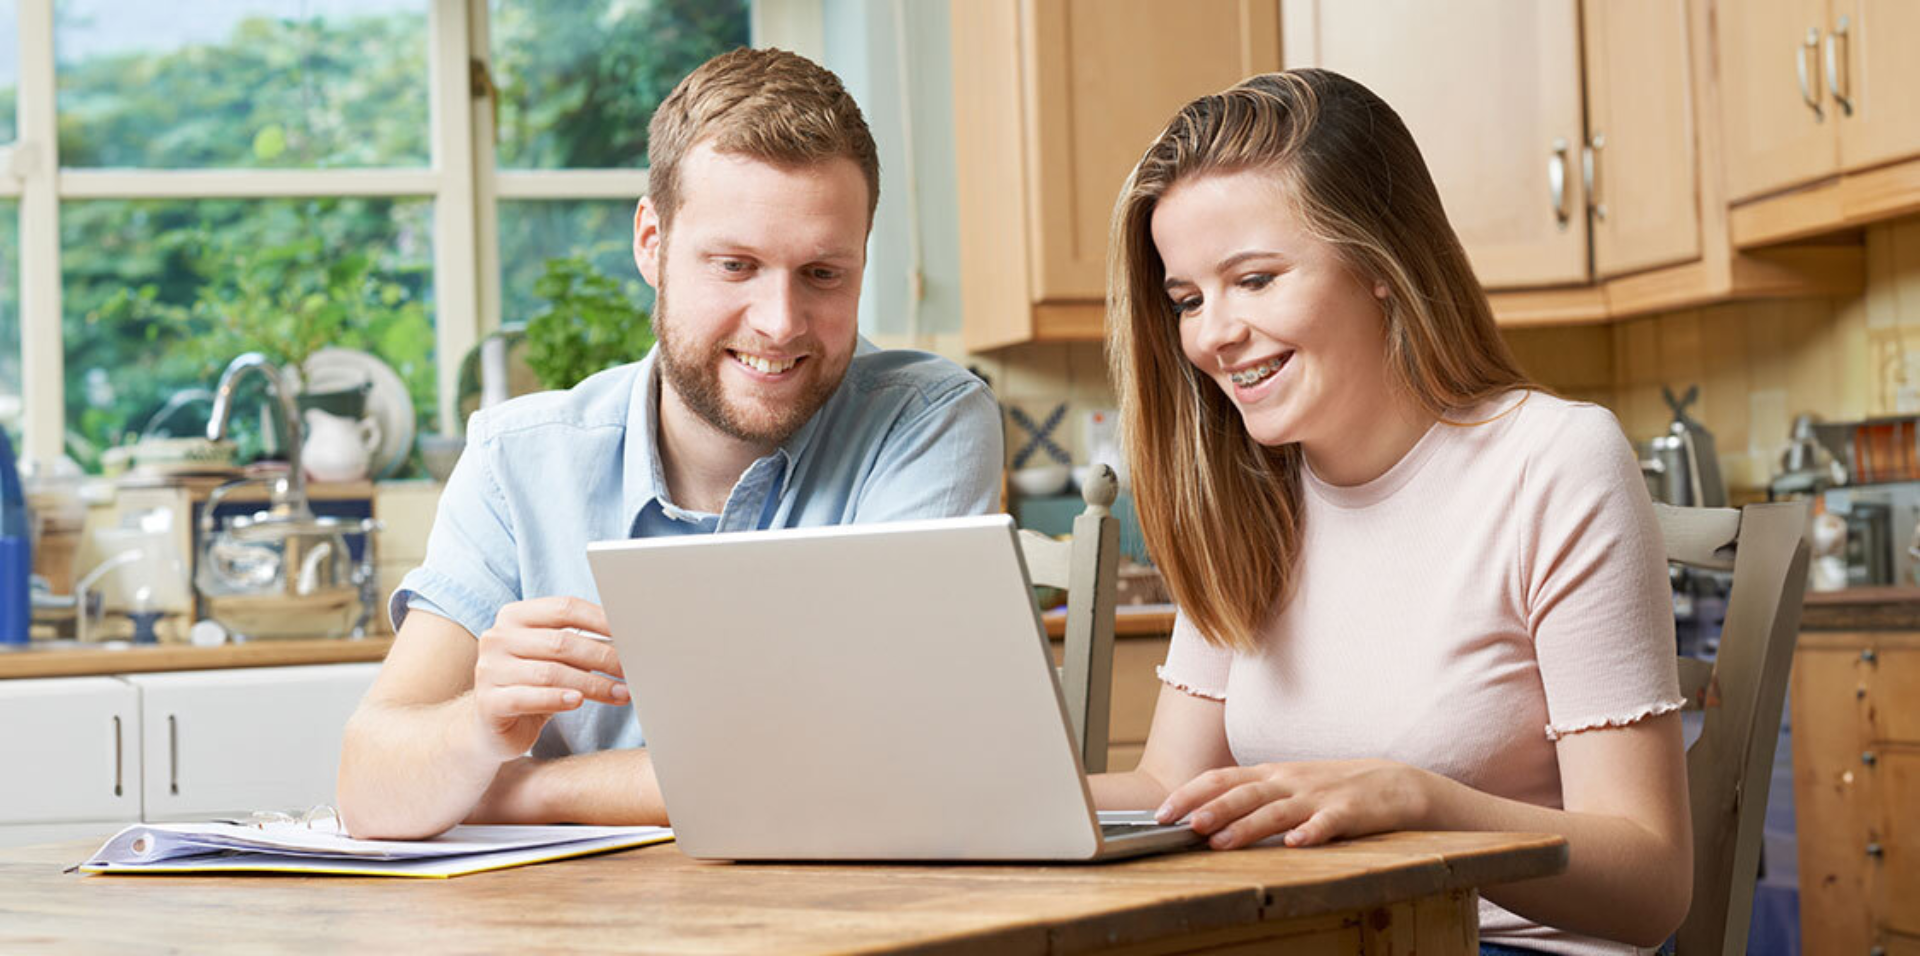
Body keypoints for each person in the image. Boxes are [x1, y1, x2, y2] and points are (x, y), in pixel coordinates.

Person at [1090, 70, 1690, 955]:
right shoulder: (1243, 495)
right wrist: (969, 800)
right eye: (1188, 300)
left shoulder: (1554, 461)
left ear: (1379, 263)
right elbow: (1168, 787)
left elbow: (1653, 886)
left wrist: (1418, 801)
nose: (1212, 334)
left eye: (1254, 279)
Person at [337, 48, 1002, 840]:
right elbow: (367, 791)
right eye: (736, 265)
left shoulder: (926, 421)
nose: (780, 321)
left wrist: (513, 791)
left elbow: (870, 769)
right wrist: (478, 727)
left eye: (823, 274)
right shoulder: (516, 460)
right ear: (651, 243)